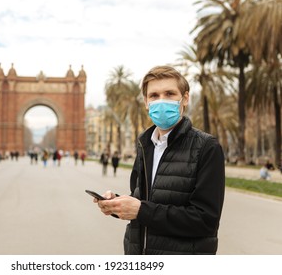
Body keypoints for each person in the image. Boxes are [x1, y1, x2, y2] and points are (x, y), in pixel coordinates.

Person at [92, 65, 225, 255]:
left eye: (170, 94)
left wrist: (140, 210)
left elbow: (206, 221)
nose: (161, 101)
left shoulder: (207, 147)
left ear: (185, 99)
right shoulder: (145, 145)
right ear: (146, 102)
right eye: (154, 96)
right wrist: (117, 205)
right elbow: (142, 201)